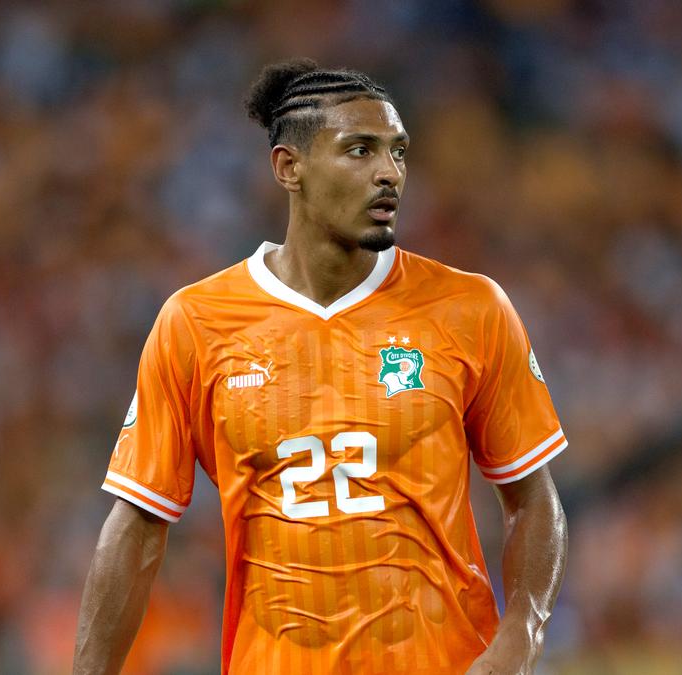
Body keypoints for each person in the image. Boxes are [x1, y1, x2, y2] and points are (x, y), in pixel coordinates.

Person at [73, 59, 568, 675]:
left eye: (398, 152)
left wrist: (522, 635)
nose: (389, 173)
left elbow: (532, 499)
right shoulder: (196, 323)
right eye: (360, 150)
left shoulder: (471, 308)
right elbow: (139, 524)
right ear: (289, 167)